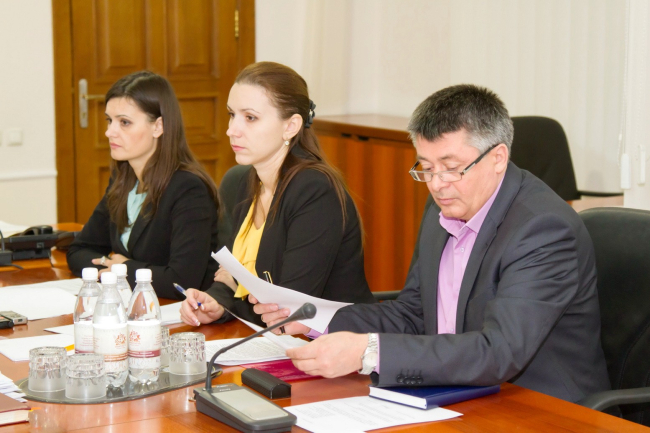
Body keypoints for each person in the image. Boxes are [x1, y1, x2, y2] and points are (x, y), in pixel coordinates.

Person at [254, 84, 611, 402]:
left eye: (451, 167)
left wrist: (370, 351)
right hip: (462, 390)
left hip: (541, 407)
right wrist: (313, 318)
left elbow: (499, 351)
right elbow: (414, 313)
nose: (437, 184)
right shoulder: (445, 205)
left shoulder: (543, 229)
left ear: (498, 158)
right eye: (426, 167)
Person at [180, 61, 375, 327]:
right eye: (231, 114)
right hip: (269, 336)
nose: (232, 130)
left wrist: (234, 289)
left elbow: (287, 310)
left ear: (291, 126)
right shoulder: (242, 181)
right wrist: (216, 302)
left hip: (330, 342)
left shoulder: (315, 190)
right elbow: (236, 280)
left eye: (250, 117)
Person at [67, 71, 221, 300]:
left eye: (124, 122)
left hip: (181, 313)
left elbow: (181, 281)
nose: (109, 132)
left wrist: (124, 269)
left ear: (158, 126)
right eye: (109, 120)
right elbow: (78, 250)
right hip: (136, 304)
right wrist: (112, 269)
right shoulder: (123, 179)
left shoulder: (189, 189)